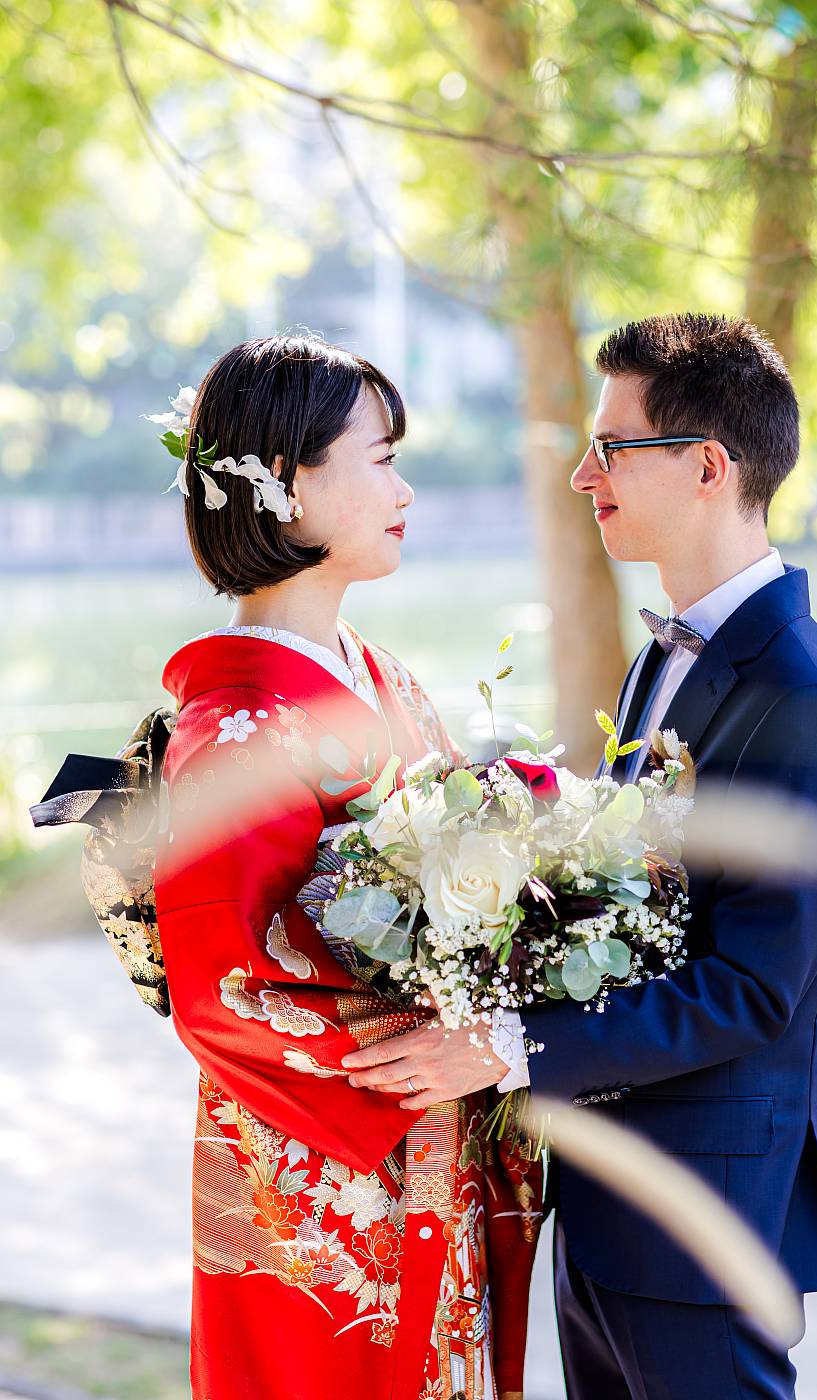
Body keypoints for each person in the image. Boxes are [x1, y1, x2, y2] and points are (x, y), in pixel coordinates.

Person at [345, 313, 817, 1399]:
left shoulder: (802, 696)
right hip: (607, 1196)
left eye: (611, 447)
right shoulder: (657, 665)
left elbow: (753, 986)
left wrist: (503, 1042)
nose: (584, 476)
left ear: (707, 466)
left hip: (704, 1212)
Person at [151, 334, 541, 1400]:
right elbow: (226, 987)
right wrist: (432, 1049)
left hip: (423, 1149)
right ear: (284, 482)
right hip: (320, 1190)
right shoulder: (236, 726)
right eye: (380, 459)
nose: (405, 488)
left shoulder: (381, 680)